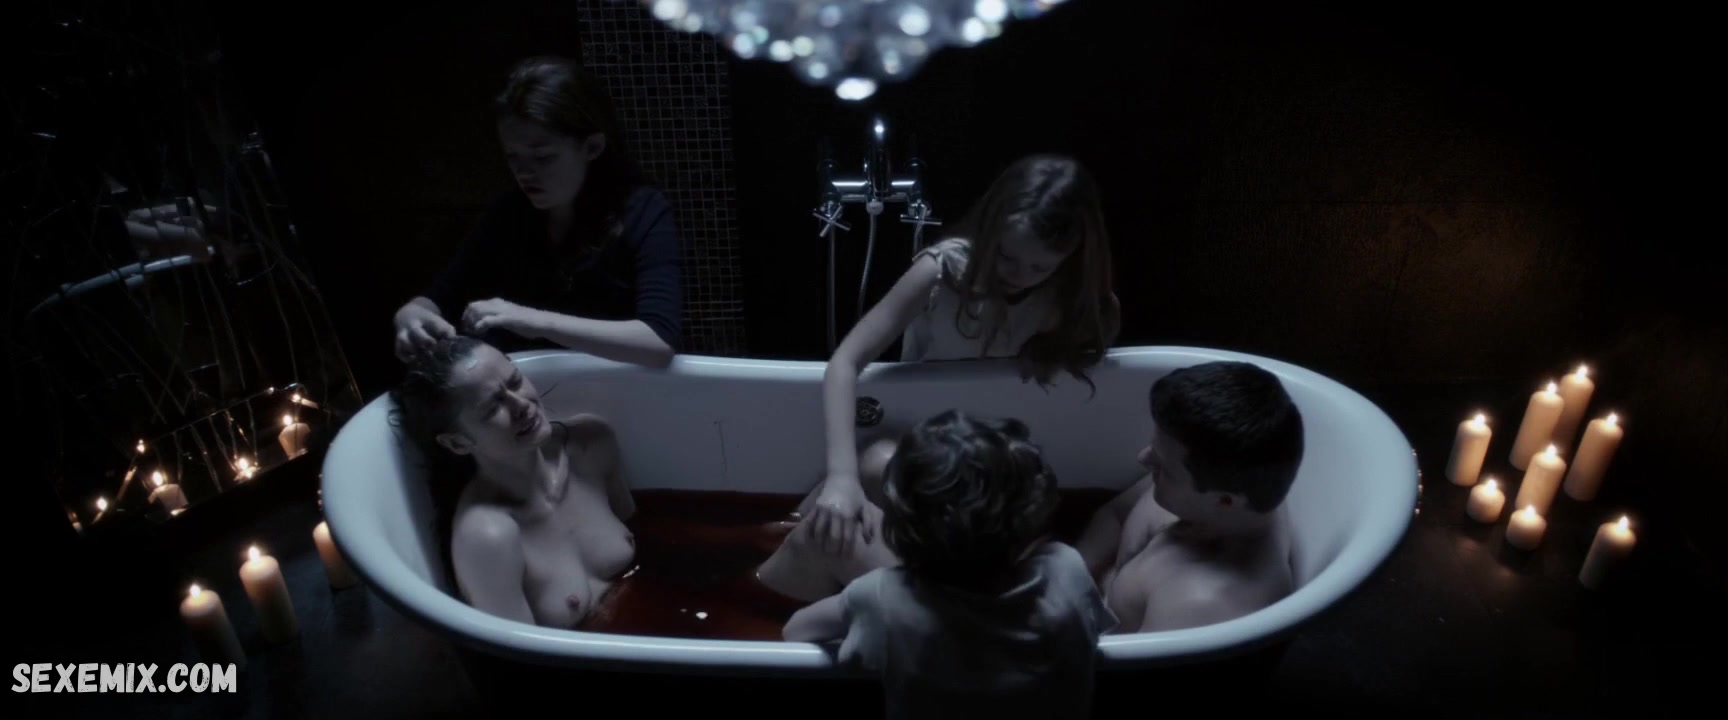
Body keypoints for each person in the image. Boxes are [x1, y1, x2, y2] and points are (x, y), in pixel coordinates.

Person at [805, 154, 1122, 556]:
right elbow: (845, 362)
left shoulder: (1069, 296)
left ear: (1069, 258)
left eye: (1039, 267)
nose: (1019, 275)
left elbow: (1093, 343)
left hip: (992, 451)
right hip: (924, 434)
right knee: (856, 482)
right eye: (1006, 256)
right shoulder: (943, 271)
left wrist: (1047, 351)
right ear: (989, 230)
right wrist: (841, 476)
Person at [781, 410, 1117, 720]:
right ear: (1029, 519)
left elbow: (795, 631)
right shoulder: (1065, 570)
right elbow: (1096, 628)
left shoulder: (883, 597)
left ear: (898, 530)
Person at [392, 55, 682, 368]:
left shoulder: (642, 210)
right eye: (513, 157)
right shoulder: (508, 214)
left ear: (592, 147)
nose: (524, 173)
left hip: (616, 384)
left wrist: (530, 320)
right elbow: (440, 295)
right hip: (527, 386)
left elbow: (658, 341)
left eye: (542, 157)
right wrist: (411, 314)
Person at [390, 335, 638, 629]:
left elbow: (644, 530)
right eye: (492, 407)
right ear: (458, 443)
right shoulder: (488, 537)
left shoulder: (591, 443)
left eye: (515, 381)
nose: (521, 404)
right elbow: (517, 653)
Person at [1074, 361, 1304, 633]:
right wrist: (1071, 578)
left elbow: (1123, 660)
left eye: (1164, 467)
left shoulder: (1199, 607)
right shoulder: (1225, 480)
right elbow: (1114, 514)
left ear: (1225, 501)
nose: (1143, 459)